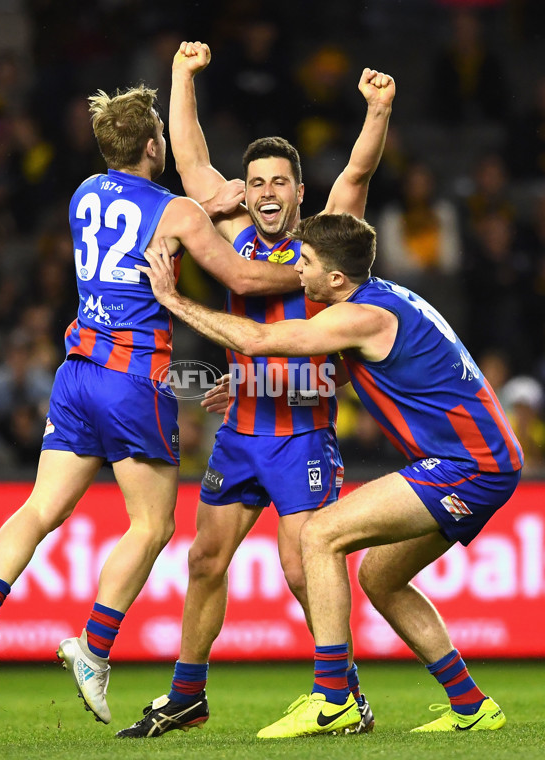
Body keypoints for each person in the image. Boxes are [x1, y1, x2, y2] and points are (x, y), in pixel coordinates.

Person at [0, 81, 302, 725]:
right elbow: (243, 276)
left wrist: (207, 201)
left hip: (76, 370)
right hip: (135, 377)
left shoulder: (84, 193)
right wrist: (310, 275)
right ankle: (93, 646)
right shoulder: (178, 213)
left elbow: (144, 215)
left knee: (40, 508)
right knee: (152, 526)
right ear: (151, 145)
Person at [136, 211, 523, 737]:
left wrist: (172, 299)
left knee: (319, 535)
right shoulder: (380, 302)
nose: (298, 268)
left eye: (308, 261)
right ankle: (472, 704)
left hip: (468, 466)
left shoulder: (358, 316)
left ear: (336, 279)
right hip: (481, 461)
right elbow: (336, 366)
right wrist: (259, 386)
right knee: (379, 578)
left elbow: (257, 340)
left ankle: (333, 697)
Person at [117, 40, 395, 739]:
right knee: (205, 561)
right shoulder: (235, 233)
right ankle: (187, 695)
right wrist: (181, 77)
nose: (268, 192)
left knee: (305, 572)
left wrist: (378, 110)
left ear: (300, 192)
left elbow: (359, 169)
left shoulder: (326, 242)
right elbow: (189, 159)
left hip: (302, 431)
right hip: (241, 432)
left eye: (281, 182)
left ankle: (344, 694)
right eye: (258, 182)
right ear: (248, 192)